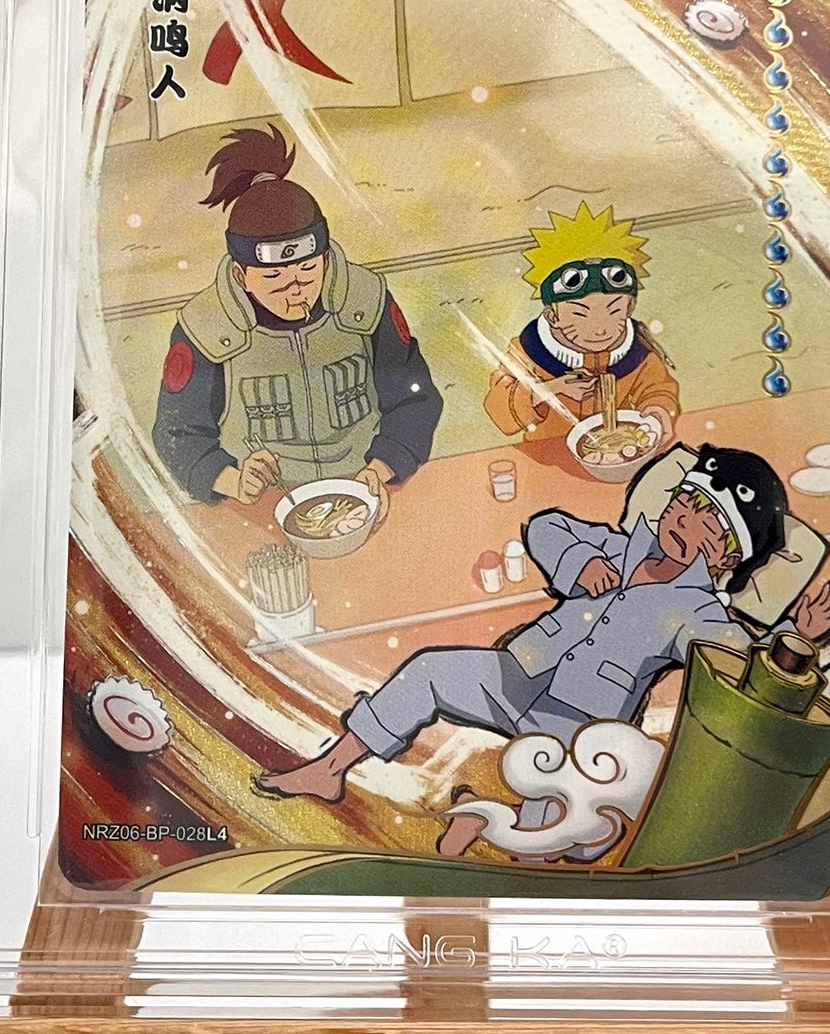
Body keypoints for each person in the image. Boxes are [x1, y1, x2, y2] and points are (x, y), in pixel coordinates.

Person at [254, 443, 792, 849]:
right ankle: (331, 769)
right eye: (687, 504)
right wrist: (580, 562)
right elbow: (545, 528)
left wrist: (794, 636)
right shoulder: (622, 546)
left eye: (711, 526)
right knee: (428, 671)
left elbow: (737, 655)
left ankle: (479, 815)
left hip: (578, 725)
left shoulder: (698, 609)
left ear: (726, 559)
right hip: (522, 672)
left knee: (549, 831)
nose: (687, 523)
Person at [152, 125, 441, 508]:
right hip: (265, 505)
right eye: (273, 276)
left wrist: (380, 468)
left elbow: (414, 398)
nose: (295, 288)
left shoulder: (366, 300)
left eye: (307, 270)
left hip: (366, 487)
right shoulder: (206, 326)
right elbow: (176, 431)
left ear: (325, 258)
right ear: (241, 275)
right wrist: (233, 480)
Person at [484, 202, 681, 452]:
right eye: (580, 314)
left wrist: (658, 413)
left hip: (619, 450)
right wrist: (552, 389)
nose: (600, 329)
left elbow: (658, 389)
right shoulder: (528, 350)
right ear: (552, 316)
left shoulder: (637, 350)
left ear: (630, 307)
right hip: (546, 454)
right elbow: (499, 410)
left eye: (614, 311)